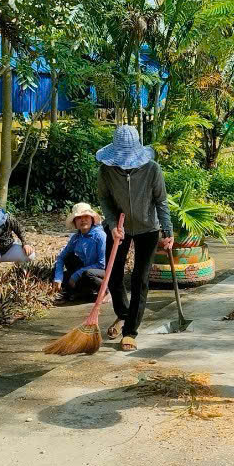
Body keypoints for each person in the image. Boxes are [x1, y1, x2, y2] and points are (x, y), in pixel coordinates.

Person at [96, 125, 173, 352]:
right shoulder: (106, 170)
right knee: (113, 275)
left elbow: (161, 201)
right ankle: (124, 314)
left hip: (148, 228)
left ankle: (130, 331)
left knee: (140, 278)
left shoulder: (152, 169)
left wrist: (167, 231)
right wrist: (112, 225)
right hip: (118, 228)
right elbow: (104, 199)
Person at [53, 202, 108, 302]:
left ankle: (106, 291)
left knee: (88, 274)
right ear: (75, 222)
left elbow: (102, 264)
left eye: (86, 216)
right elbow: (61, 257)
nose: (83, 220)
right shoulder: (76, 238)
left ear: (92, 219)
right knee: (67, 261)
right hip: (85, 270)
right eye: (79, 218)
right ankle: (84, 292)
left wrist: (76, 275)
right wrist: (58, 278)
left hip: (103, 271)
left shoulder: (100, 236)